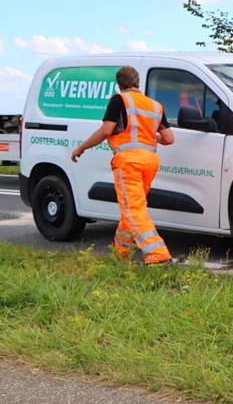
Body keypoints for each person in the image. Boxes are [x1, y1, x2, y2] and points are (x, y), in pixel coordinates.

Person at [71, 66, 175, 264]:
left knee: (132, 209)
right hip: (150, 160)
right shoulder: (155, 105)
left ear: (119, 84)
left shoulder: (119, 100)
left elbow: (106, 130)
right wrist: (152, 136)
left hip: (129, 161)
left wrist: (81, 148)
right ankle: (120, 254)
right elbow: (169, 138)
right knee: (133, 207)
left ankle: (159, 256)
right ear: (137, 83)